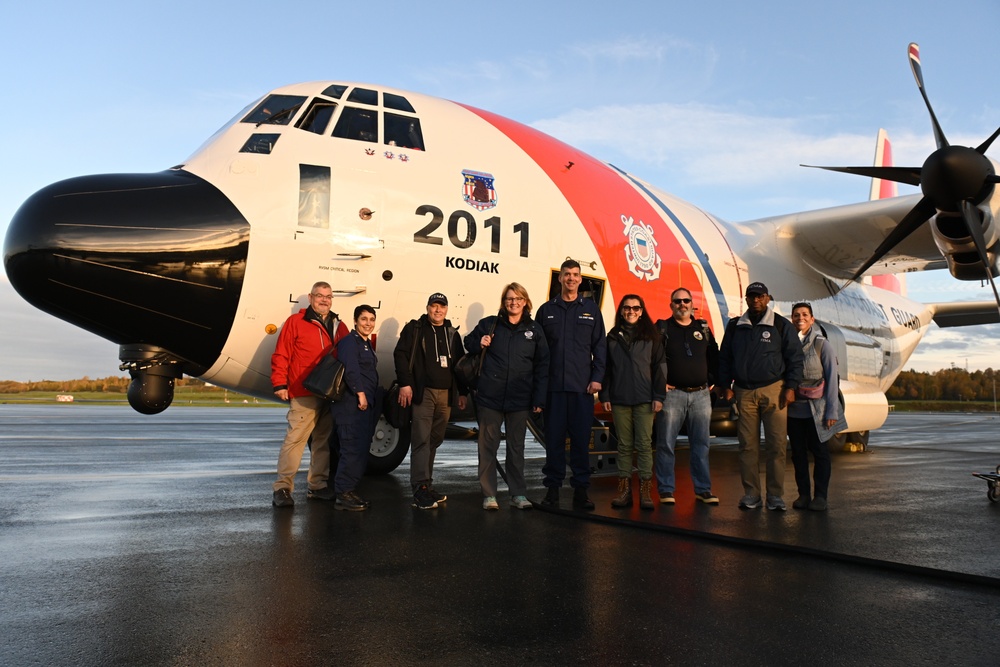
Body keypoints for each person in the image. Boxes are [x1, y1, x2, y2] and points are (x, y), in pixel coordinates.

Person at [717, 281, 804, 511]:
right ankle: (752, 494)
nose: (755, 300)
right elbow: (724, 357)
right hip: (744, 392)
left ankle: (775, 496)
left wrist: (791, 387)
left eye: (760, 296)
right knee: (747, 447)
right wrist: (725, 385)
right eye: (751, 296)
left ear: (767, 299)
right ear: (746, 299)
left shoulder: (781, 325)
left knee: (776, 446)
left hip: (774, 390)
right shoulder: (735, 326)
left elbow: (795, 358)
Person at [465, 283, 549, 510]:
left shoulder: (534, 330)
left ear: (525, 302)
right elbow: (468, 342)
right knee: (487, 448)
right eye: (509, 299)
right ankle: (489, 495)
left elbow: (543, 366)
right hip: (490, 398)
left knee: (516, 449)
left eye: (518, 298)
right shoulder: (489, 324)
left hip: (520, 399)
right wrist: (478, 342)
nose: (513, 302)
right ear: (504, 302)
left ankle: (518, 494)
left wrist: (539, 399)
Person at [270, 281, 349, 507]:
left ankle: (318, 485)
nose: (324, 300)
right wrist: (279, 384)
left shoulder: (338, 325)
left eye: (328, 297)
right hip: (303, 391)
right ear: (311, 297)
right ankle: (283, 488)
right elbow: (281, 354)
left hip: (329, 393)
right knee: (295, 440)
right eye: (320, 296)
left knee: (322, 441)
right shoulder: (296, 322)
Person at [537, 260, 607, 509]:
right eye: (566, 274)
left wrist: (597, 377)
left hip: (581, 389)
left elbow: (600, 347)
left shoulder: (591, 310)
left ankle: (581, 491)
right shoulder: (546, 311)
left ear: (580, 279)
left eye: (575, 275)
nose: (571, 278)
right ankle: (552, 492)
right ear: (560, 278)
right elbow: (539, 352)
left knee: (580, 442)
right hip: (554, 389)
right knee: (553, 442)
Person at [393, 293, 468, 510]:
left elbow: (460, 366)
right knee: (421, 441)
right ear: (427, 308)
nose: (438, 310)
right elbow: (400, 355)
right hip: (423, 393)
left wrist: (462, 392)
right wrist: (405, 383)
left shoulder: (452, 334)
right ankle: (420, 488)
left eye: (441, 307)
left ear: (446, 309)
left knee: (434, 440)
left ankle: (426, 483)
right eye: (434, 306)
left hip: (446, 395)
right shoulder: (415, 329)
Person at [654, 287, 720, 506]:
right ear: (671, 305)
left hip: (701, 395)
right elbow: (652, 359)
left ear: (692, 304)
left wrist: (712, 382)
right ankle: (666, 490)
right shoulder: (662, 328)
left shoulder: (703, 328)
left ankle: (703, 489)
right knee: (666, 443)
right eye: (677, 301)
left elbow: (714, 356)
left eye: (686, 301)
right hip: (673, 396)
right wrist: (660, 384)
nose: (682, 304)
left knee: (701, 444)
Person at [599, 294, 665, 510]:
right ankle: (625, 492)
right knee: (625, 446)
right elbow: (607, 369)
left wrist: (658, 396)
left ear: (641, 311)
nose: (631, 312)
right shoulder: (612, 337)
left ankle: (645, 493)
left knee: (644, 445)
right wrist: (605, 395)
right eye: (627, 308)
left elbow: (659, 368)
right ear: (621, 311)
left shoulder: (652, 337)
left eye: (636, 308)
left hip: (645, 399)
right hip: (619, 399)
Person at [788, 302, 846, 511]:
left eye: (804, 314)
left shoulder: (823, 345)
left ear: (812, 319)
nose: (800, 318)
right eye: (796, 315)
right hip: (794, 410)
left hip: (817, 409)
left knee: (820, 452)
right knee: (798, 454)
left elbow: (832, 380)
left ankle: (820, 496)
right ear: (791, 319)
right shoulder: (786, 345)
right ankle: (803, 495)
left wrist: (831, 410)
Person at [330, 304, 381, 511]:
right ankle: (343, 493)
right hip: (351, 405)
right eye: (364, 319)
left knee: (360, 449)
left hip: (364, 405)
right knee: (351, 449)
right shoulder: (349, 343)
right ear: (355, 321)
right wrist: (360, 394)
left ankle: (349, 490)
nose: (368, 323)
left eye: (371, 319)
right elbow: (351, 370)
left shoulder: (366, 343)